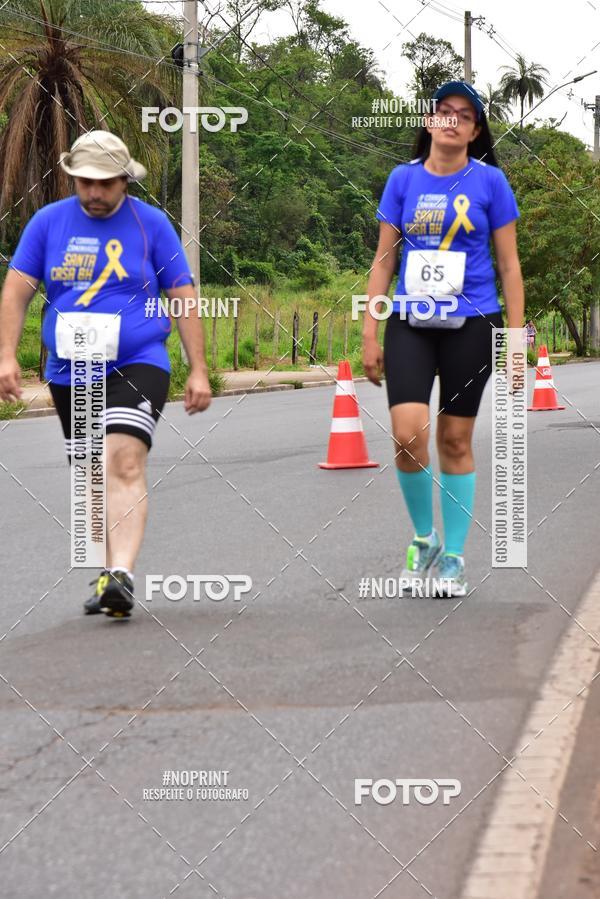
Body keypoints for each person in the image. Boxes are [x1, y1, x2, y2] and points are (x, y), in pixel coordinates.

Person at [0, 130, 212, 617]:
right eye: (84, 183)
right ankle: (107, 575)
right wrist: (7, 356)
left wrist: (199, 369)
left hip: (137, 362)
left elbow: (182, 296)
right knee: (92, 476)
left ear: (124, 182)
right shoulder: (48, 223)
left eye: (105, 184)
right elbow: (16, 291)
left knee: (123, 462)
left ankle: (122, 574)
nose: (94, 194)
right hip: (69, 371)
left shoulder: (152, 225)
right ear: (72, 178)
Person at [362, 81, 524, 597]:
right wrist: (370, 328)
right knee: (407, 434)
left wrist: (516, 342)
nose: (451, 120)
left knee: (454, 440)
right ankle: (424, 537)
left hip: (474, 322)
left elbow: (509, 265)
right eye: (443, 111)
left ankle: (453, 557)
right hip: (410, 320)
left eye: (464, 115)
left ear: (475, 131)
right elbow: (385, 259)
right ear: (430, 122)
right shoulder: (402, 179)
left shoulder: (491, 182)